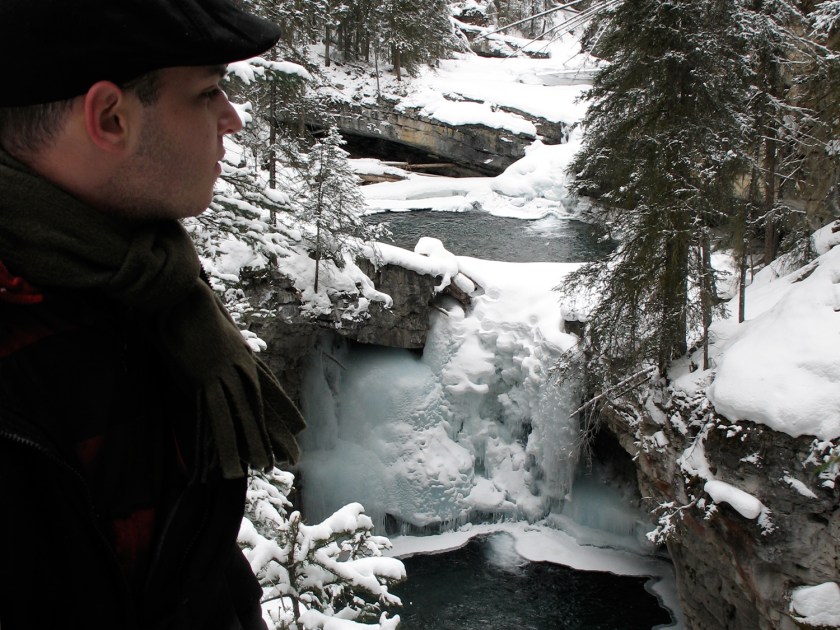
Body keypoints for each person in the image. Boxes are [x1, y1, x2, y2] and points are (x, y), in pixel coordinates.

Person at [0, 1, 306, 628]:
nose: (234, 119)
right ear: (110, 116)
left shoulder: (140, 282)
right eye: (208, 91)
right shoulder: (25, 354)